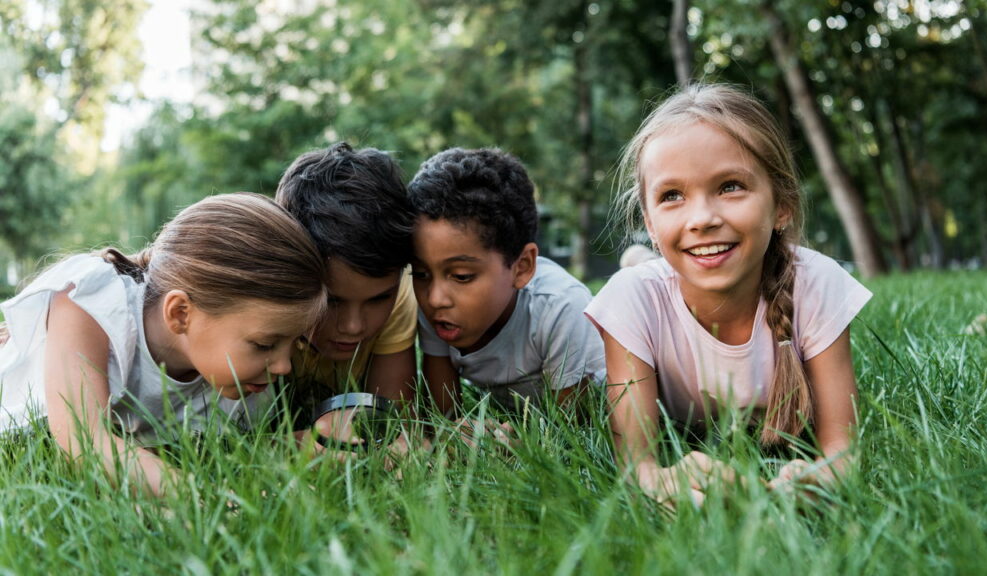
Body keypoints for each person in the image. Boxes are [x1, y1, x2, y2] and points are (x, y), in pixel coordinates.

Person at [585, 84, 872, 508]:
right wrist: (665, 482)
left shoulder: (817, 284)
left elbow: (842, 453)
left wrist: (818, 480)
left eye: (730, 186)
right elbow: (636, 467)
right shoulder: (631, 302)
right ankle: (640, 260)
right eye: (672, 196)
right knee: (641, 277)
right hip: (648, 286)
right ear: (648, 219)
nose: (702, 218)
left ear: (782, 205)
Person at [0, 193, 327, 497]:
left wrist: (287, 444)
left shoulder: (239, 383)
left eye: (294, 342)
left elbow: (194, 452)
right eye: (265, 344)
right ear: (181, 313)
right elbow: (83, 442)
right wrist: (200, 497)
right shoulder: (92, 303)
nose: (284, 367)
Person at [407, 147, 605, 435]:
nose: (435, 298)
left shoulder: (560, 308)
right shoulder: (436, 306)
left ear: (522, 267)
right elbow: (444, 417)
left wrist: (521, 440)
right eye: (421, 273)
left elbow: (576, 432)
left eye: (461, 276)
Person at [274, 142, 418, 451]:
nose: (354, 326)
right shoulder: (260, 301)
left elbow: (391, 421)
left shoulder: (401, 295)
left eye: (379, 299)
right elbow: (230, 434)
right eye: (333, 301)